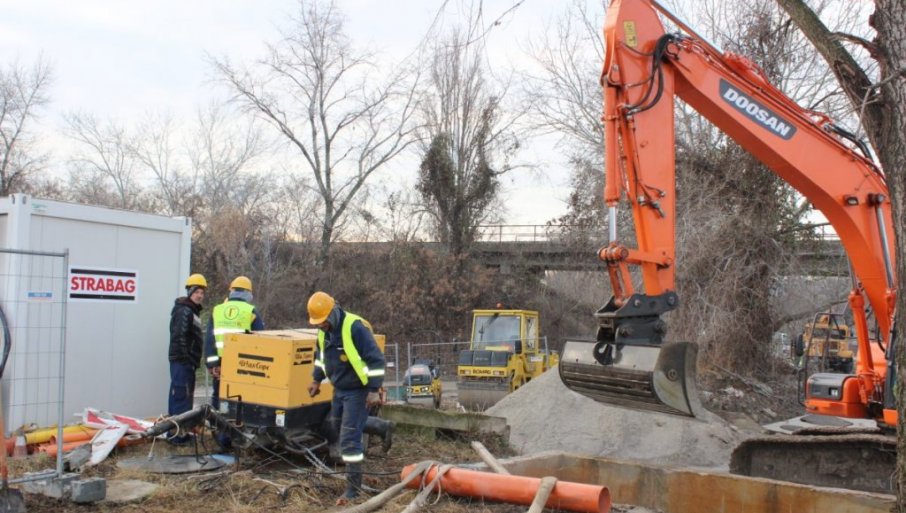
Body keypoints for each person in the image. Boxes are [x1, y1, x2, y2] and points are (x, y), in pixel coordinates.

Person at [306, 291, 387, 506]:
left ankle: (353, 489)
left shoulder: (354, 327)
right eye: (317, 322)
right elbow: (321, 358)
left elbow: (376, 361)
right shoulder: (323, 332)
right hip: (339, 389)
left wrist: (373, 390)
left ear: (332, 313)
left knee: (349, 439)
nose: (320, 325)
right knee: (337, 428)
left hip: (358, 390)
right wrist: (316, 379)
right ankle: (382, 427)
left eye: (323, 321)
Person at [204, 276, 265, 411]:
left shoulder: (217, 310)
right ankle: (237, 423)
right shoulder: (250, 311)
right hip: (243, 365)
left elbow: (210, 340)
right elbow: (261, 342)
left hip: (221, 365)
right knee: (241, 399)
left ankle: (217, 423)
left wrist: (213, 365)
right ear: (248, 293)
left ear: (231, 292)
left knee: (219, 396)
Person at [167, 273, 207, 445]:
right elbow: (179, 337)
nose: (200, 295)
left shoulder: (192, 310)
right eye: (197, 292)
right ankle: (178, 437)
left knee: (183, 396)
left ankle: (178, 433)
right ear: (190, 292)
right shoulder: (185, 311)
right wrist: (187, 359)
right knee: (181, 397)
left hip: (186, 362)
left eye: (202, 293)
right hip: (183, 362)